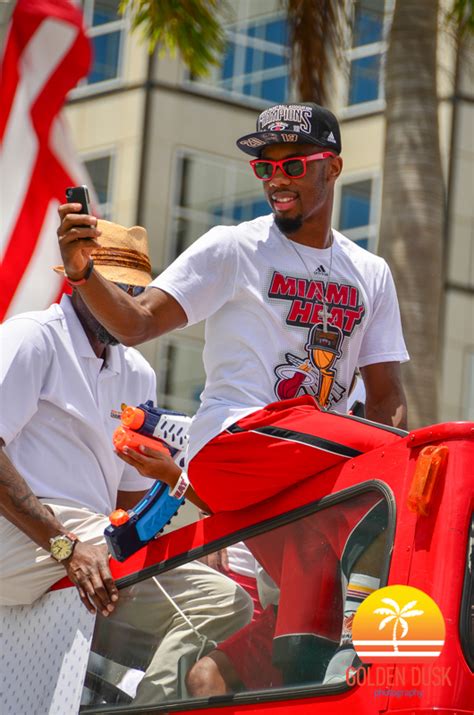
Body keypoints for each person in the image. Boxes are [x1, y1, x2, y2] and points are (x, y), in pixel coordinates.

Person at [57, 101, 409, 681]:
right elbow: (137, 323)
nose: (277, 179)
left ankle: (327, 645)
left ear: (334, 167)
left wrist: (383, 482)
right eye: (265, 168)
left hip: (306, 478)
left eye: (293, 165)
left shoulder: (369, 273)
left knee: (297, 639)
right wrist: (83, 273)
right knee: (404, 455)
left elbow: (387, 392)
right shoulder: (235, 247)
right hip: (234, 442)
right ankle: (366, 621)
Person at [0, 220, 252, 704]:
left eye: (135, 292)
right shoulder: (34, 337)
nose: (123, 302)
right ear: (80, 282)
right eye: (114, 286)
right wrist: (66, 549)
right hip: (29, 537)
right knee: (214, 600)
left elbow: (132, 502)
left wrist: (189, 535)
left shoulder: (136, 371)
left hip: (86, 543)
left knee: (224, 604)